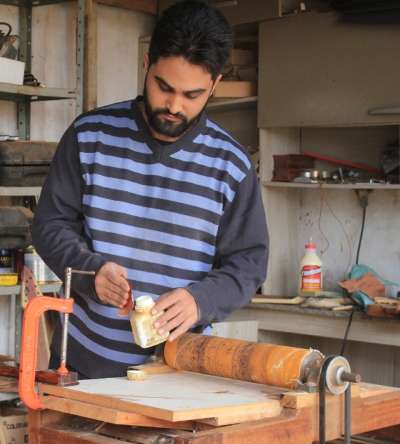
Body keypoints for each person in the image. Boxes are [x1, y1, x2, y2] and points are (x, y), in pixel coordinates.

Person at [32, 0, 268, 379]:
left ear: (216, 83)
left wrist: (200, 300)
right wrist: (91, 272)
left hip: (181, 370)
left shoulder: (232, 164)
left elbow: (248, 265)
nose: (174, 105)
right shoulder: (89, 135)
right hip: (83, 366)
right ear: (147, 63)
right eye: (164, 87)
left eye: (192, 95)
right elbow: (49, 226)